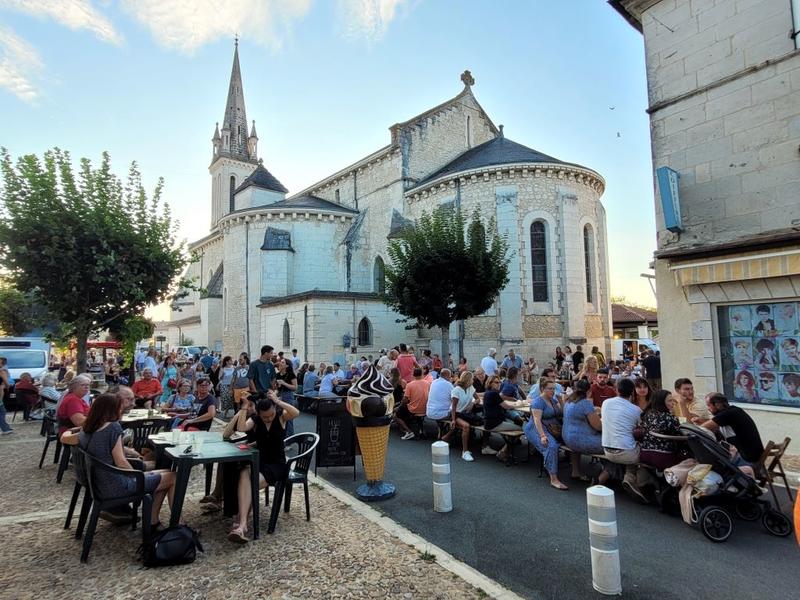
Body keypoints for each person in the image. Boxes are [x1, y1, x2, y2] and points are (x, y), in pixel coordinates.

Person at [62, 393, 176, 528]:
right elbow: (121, 462)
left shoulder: (87, 429)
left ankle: (153, 521)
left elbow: (69, 439)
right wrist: (137, 476)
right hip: (116, 486)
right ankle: (176, 523)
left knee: (165, 473)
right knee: (173, 476)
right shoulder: (112, 427)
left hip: (99, 484)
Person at [227, 395, 299, 543]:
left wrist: (278, 401)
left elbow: (296, 412)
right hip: (260, 462)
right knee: (243, 473)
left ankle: (242, 523)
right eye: (265, 416)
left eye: (271, 415)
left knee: (249, 483)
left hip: (277, 465)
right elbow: (241, 428)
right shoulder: (255, 420)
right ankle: (243, 525)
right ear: (259, 414)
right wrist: (244, 407)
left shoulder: (281, 417)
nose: (269, 418)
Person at [601, 378, 646, 502]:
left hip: (607, 450)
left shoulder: (606, 403)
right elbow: (643, 429)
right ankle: (630, 477)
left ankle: (607, 477)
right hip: (627, 453)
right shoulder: (636, 410)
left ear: (616, 389)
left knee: (626, 444)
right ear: (633, 392)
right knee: (643, 448)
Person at [694, 393, 765, 468]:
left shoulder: (727, 414)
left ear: (717, 405)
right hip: (752, 457)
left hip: (747, 460)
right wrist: (701, 421)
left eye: (709, 405)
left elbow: (700, 430)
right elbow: (714, 425)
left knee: (712, 465)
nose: (708, 408)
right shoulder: (733, 411)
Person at [525, 376, 568, 490]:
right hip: (536, 428)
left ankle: (553, 464)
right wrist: (542, 436)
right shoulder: (538, 402)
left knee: (569, 440)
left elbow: (562, 413)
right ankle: (554, 479)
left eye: (554, 389)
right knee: (551, 446)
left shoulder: (553, 400)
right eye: (550, 389)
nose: (553, 391)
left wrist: (561, 401)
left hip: (551, 427)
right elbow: (536, 420)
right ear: (543, 388)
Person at [562, 379, 606, 482]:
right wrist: (605, 421)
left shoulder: (568, 401)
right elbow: (598, 426)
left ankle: (575, 472)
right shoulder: (585, 403)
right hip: (580, 440)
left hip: (567, 438)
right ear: (589, 391)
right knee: (611, 445)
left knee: (575, 444)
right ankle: (606, 473)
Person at [639, 389, 683, 470]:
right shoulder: (668, 417)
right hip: (664, 457)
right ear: (661, 402)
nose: (673, 403)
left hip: (645, 454)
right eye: (670, 401)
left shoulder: (648, 414)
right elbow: (681, 434)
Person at [481, 375, 522, 459]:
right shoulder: (494, 393)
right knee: (521, 429)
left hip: (488, 422)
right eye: (496, 382)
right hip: (495, 424)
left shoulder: (488, 392)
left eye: (499, 382)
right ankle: (504, 451)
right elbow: (506, 406)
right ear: (490, 383)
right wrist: (519, 404)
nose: (499, 384)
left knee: (514, 423)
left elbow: (502, 405)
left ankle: (507, 445)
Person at [444, 371, 482, 461]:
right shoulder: (456, 390)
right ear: (468, 380)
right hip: (455, 413)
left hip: (465, 413)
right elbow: (453, 407)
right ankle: (465, 451)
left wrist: (472, 403)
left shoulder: (470, 388)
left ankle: (446, 437)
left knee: (479, 421)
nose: (473, 380)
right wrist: (453, 420)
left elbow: (478, 399)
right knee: (466, 426)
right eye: (472, 379)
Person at [395, 368, 430, 440]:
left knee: (396, 415)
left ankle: (409, 431)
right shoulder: (427, 383)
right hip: (425, 408)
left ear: (413, 375)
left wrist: (399, 407)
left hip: (414, 409)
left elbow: (405, 400)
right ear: (422, 374)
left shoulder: (410, 385)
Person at [275, 359, 298, 436]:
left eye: (282, 362)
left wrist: (284, 383)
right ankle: (281, 436)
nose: (280, 363)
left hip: (288, 396)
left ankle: (289, 438)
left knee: (288, 417)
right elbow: (277, 388)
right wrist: (275, 393)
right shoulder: (277, 375)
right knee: (280, 416)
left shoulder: (291, 374)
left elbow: (295, 387)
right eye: (280, 362)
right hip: (280, 396)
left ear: (287, 365)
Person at [0, 358, 13, 435]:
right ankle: (5, 428)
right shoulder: (1, 371)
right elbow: (6, 382)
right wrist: (7, 385)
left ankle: (6, 427)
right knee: (2, 411)